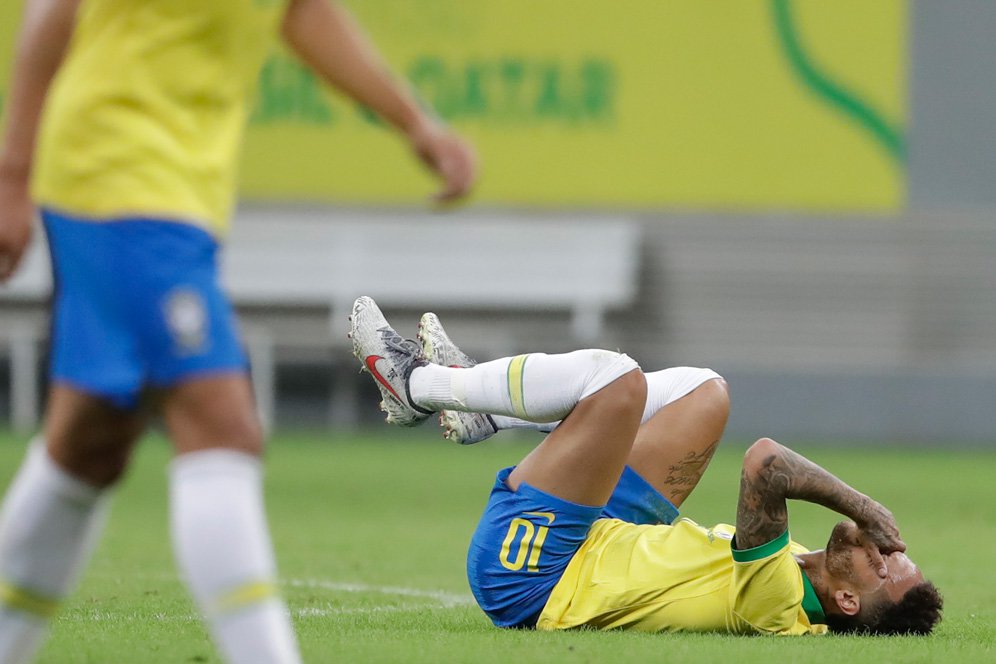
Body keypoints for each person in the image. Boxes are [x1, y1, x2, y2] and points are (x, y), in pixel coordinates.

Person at [0, 0, 476, 661]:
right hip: (116, 174)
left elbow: (301, 11)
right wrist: (12, 173)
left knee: (89, 444)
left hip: (179, 196)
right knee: (221, 424)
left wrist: (414, 123)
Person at [348, 296, 943, 636]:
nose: (884, 547)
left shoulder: (781, 599)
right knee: (706, 393)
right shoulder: (802, 567)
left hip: (536, 576)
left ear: (846, 601)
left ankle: (418, 385)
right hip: (609, 534)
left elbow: (766, 463)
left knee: (616, 380)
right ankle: (489, 416)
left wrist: (865, 506)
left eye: (886, 566)